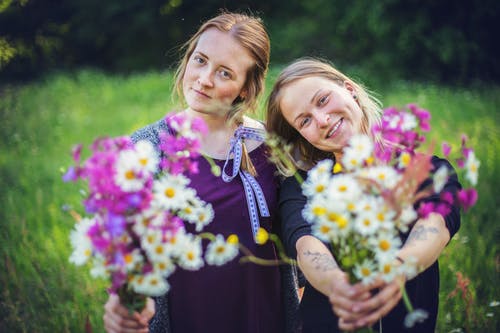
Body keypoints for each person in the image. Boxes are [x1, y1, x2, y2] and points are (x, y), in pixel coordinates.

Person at [102, 12, 300, 333]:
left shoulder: (273, 148)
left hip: (264, 317)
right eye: (200, 60)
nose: (204, 79)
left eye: (224, 73)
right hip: (188, 317)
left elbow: (295, 237)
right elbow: (125, 249)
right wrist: (125, 301)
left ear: (245, 89)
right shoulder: (143, 149)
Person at [266, 58, 461, 332]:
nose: (322, 121)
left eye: (322, 100)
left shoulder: (428, 171)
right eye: (305, 120)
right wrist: (337, 284)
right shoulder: (303, 187)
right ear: (302, 136)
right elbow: (307, 245)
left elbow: (435, 226)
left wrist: (398, 268)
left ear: (349, 89)